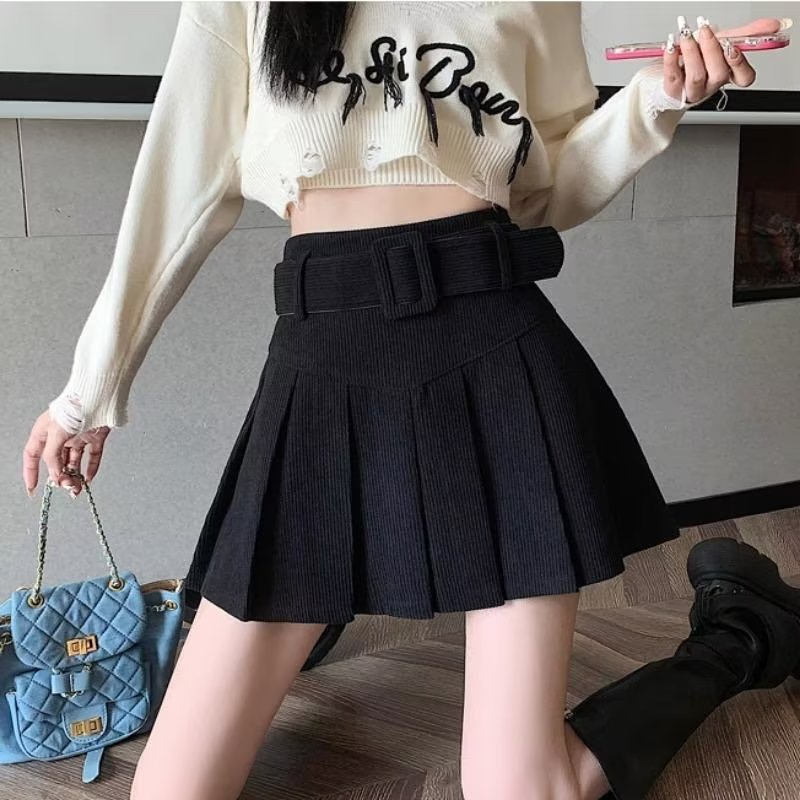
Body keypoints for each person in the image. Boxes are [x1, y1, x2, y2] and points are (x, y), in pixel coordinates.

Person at [19, 3, 795, 799]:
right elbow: (180, 181)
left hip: (493, 342)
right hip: (325, 356)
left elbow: (545, 191)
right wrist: (89, 392)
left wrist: (655, 99)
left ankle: (740, 637)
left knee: (523, 791)